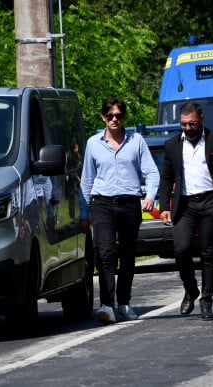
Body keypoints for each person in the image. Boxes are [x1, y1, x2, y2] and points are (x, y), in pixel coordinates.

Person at [79, 98, 160, 324]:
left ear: (124, 117)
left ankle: (124, 302)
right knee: (105, 253)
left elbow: (152, 172)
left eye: (119, 116)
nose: (114, 119)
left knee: (127, 254)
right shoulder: (94, 143)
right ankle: (107, 304)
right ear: (103, 117)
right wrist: (84, 214)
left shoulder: (136, 141)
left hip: (129, 203)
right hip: (102, 203)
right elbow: (86, 180)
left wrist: (150, 197)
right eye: (110, 116)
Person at [158, 102, 213, 321]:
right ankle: (191, 289)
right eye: (184, 124)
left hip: (210, 201)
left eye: (192, 124)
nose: (188, 128)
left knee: (209, 252)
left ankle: (206, 300)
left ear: (201, 119)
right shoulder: (172, 145)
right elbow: (167, 177)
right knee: (181, 249)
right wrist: (164, 207)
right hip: (185, 204)